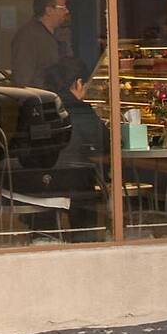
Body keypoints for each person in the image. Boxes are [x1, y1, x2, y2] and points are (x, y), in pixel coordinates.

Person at [47, 56, 109, 239]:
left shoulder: (43, 105)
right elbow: (104, 142)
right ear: (78, 83)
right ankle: (84, 238)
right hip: (72, 182)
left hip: (40, 180)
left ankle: (44, 236)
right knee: (84, 181)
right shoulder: (80, 110)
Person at [9, 0, 67, 93]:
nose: (66, 11)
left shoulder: (59, 35)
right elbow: (22, 80)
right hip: (40, 99)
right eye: (62, 7)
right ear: (49, 10)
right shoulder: (27, 37)